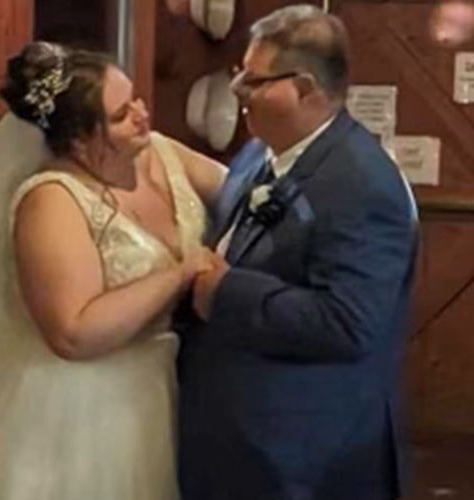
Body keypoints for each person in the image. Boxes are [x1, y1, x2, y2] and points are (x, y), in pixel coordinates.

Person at [0, 42, 223, 500]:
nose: (142, 114)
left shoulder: (160, 151)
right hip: (76, 412)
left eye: (136, 98)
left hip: (152, 389)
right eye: (121, 114)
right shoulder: (53, 198)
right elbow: (72, 332)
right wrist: (180, 274)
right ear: (80, 138)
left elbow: (244, 188)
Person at [177, 5, 419, 499]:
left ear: (305, 89)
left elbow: (348, 322)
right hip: (235, 441)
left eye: (254, 80)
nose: (239, 91)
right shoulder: (258, 152)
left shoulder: (363, 183)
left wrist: (225, 292)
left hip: (305, 458)